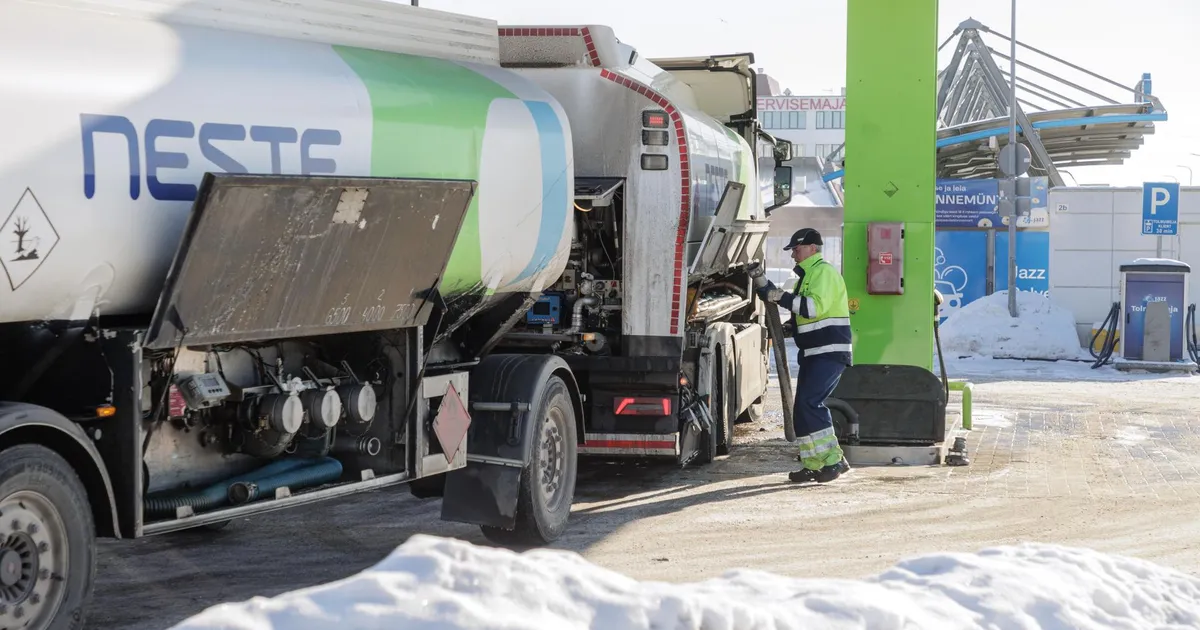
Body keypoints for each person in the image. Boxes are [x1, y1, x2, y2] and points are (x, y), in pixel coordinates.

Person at [750, 228, 852, 483]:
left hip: (829, 352)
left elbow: (812, 307)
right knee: (802, 410)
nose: (793, 254)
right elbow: (809, 313)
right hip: (815, 352)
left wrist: (779, 297)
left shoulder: (823, 272)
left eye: (797, 249)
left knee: (810, 404)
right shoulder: (808, 275)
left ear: (812, 248)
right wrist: (791, 327)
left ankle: (834, 460)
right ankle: (813, 463)